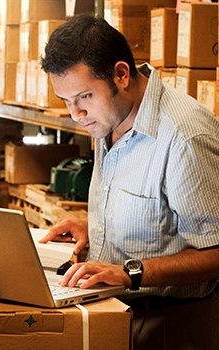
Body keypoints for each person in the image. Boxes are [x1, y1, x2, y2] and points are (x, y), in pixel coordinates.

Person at [39, 14, 219, 349]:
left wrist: (129, 272)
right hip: (115, 312)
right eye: (65, 101)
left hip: (168, 325)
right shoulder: (109, 117)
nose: (75, 113)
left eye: (84, 97)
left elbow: (215, 251)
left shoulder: (184, 138)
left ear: (121, 75)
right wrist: (95, 227)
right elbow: (158, 217)